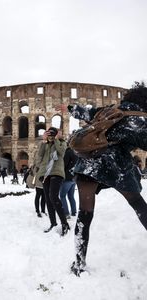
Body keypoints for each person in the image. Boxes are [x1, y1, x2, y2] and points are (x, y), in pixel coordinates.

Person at [59, 82, 147, 276]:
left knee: (85, 214)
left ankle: (79, 263)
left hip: (88, 164)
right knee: (138, 204)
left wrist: (70, 108)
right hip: (116, 166)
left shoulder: (109, 111)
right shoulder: (139, 121)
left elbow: (86, 113)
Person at [35, 127, 70, 236]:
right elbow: (39, 157)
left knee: (53, 196)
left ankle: (64, 223)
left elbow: (61, 152)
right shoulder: (45, 145)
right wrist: (43, 141)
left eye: (52, 135)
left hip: (56, 172)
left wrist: (56, 139)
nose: (50, 137)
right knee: (48, 199)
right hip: (45, 174)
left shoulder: (62, 143)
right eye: (49, 135)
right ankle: (53, 223)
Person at [59, 145, 78, 218]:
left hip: (67, 177)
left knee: (62, 196)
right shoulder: (76, 152)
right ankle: (74, 212)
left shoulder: (68, 152)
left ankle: (66, 213)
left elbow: (64, 165)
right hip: (74, 177)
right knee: (71, 196)